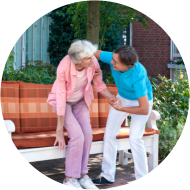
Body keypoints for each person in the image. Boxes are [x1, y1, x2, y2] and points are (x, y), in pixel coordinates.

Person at [46, 40, 122, 190]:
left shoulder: (92, 62)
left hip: (80, 101)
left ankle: (82, 175)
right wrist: (59, 130)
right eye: (88, 58)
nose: (92, 59)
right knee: (77, 135)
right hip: (63, 102)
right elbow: (61, 98)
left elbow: (99, 84)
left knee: (87, 135)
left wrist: (111, 97)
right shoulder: (64, 66)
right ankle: (69, 178)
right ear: (78, 60)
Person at [91, 45, 153, 185]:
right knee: (109, 134)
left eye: (115, 62)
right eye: (112, 59)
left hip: (141, 102)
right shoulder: (115, 57)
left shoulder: (138, 76)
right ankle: (107, 175)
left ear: (127, 64)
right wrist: (92, 69)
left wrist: (122, 109)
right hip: (123, 97)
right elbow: (91, 52)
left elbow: (143, 109)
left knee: (135, 138)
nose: (111, 63)